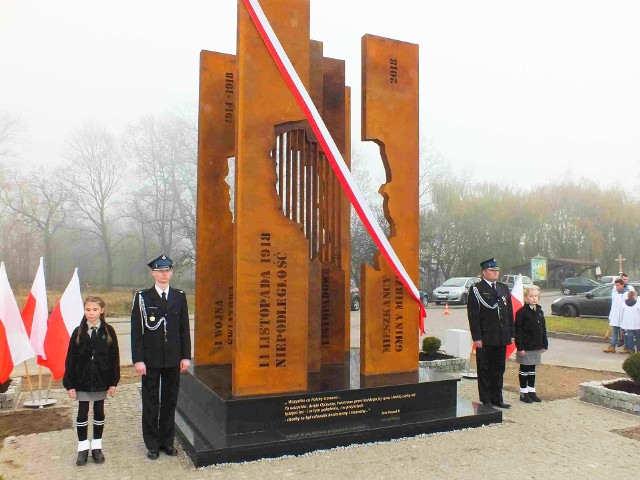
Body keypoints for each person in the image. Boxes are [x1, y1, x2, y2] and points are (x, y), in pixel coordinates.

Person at [131, 254, 191, 460]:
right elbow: (136, 331)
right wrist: (138, 359)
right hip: (150, 360)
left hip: (173, 359)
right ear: (153, 273)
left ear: (172, 273)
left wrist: (186, 356)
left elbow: (184, 329)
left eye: (167, 270)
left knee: (170, 400)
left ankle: (167, 442)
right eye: (160, 271)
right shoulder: (142, 297)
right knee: (150, 401)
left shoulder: (179, 296)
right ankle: (152, 443)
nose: (164, 274)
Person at [63, 296, 120, 466]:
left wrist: (113, 381)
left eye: (95, 310)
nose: (91, 313)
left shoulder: (108, 331)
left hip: (101, 380)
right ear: (84, 310)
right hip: (82, 381)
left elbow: (114, 358)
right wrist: (70, 384)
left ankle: (96, 446)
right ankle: (82, 447)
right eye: (88, 310)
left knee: (99, 412)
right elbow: (70, 359)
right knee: (82, 413)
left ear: (101, 310)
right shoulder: (78, 331)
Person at [467, 258, 514, 408]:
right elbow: (473, 316)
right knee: (485, 369)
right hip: (486, 337)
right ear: (484, 272)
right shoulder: (477, 289)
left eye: (497, 270)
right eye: (492, 270)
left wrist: (511, 333)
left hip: (501, 336)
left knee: (499, 368)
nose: (496, 273)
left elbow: (509, 312)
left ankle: (497, 398)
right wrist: (477, 337)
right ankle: (486, 400)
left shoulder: (503, 288)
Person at [514, 286, 548, 403]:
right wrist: (520, 347)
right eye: (531, 296)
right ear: (525, 298)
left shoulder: (539, 311)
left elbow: (543, 328)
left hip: (536, 346)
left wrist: (544, 344)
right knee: (524, 368)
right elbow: (518, 331)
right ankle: (523, 393)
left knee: (532, 368)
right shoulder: (521, 313)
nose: (534, 298)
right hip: (525, 346)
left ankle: (531, 391)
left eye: (536, 296)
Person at [603, 278, 630, 353]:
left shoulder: (627, 294)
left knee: (624, 333)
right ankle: (612, 346)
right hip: (615, 316)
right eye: (616, 285)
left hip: (623, 316)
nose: (616, 287)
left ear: (622, 285)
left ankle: (627, 347)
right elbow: (614, 306)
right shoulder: (616, 293)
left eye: (618, 285)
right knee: (615, 331)